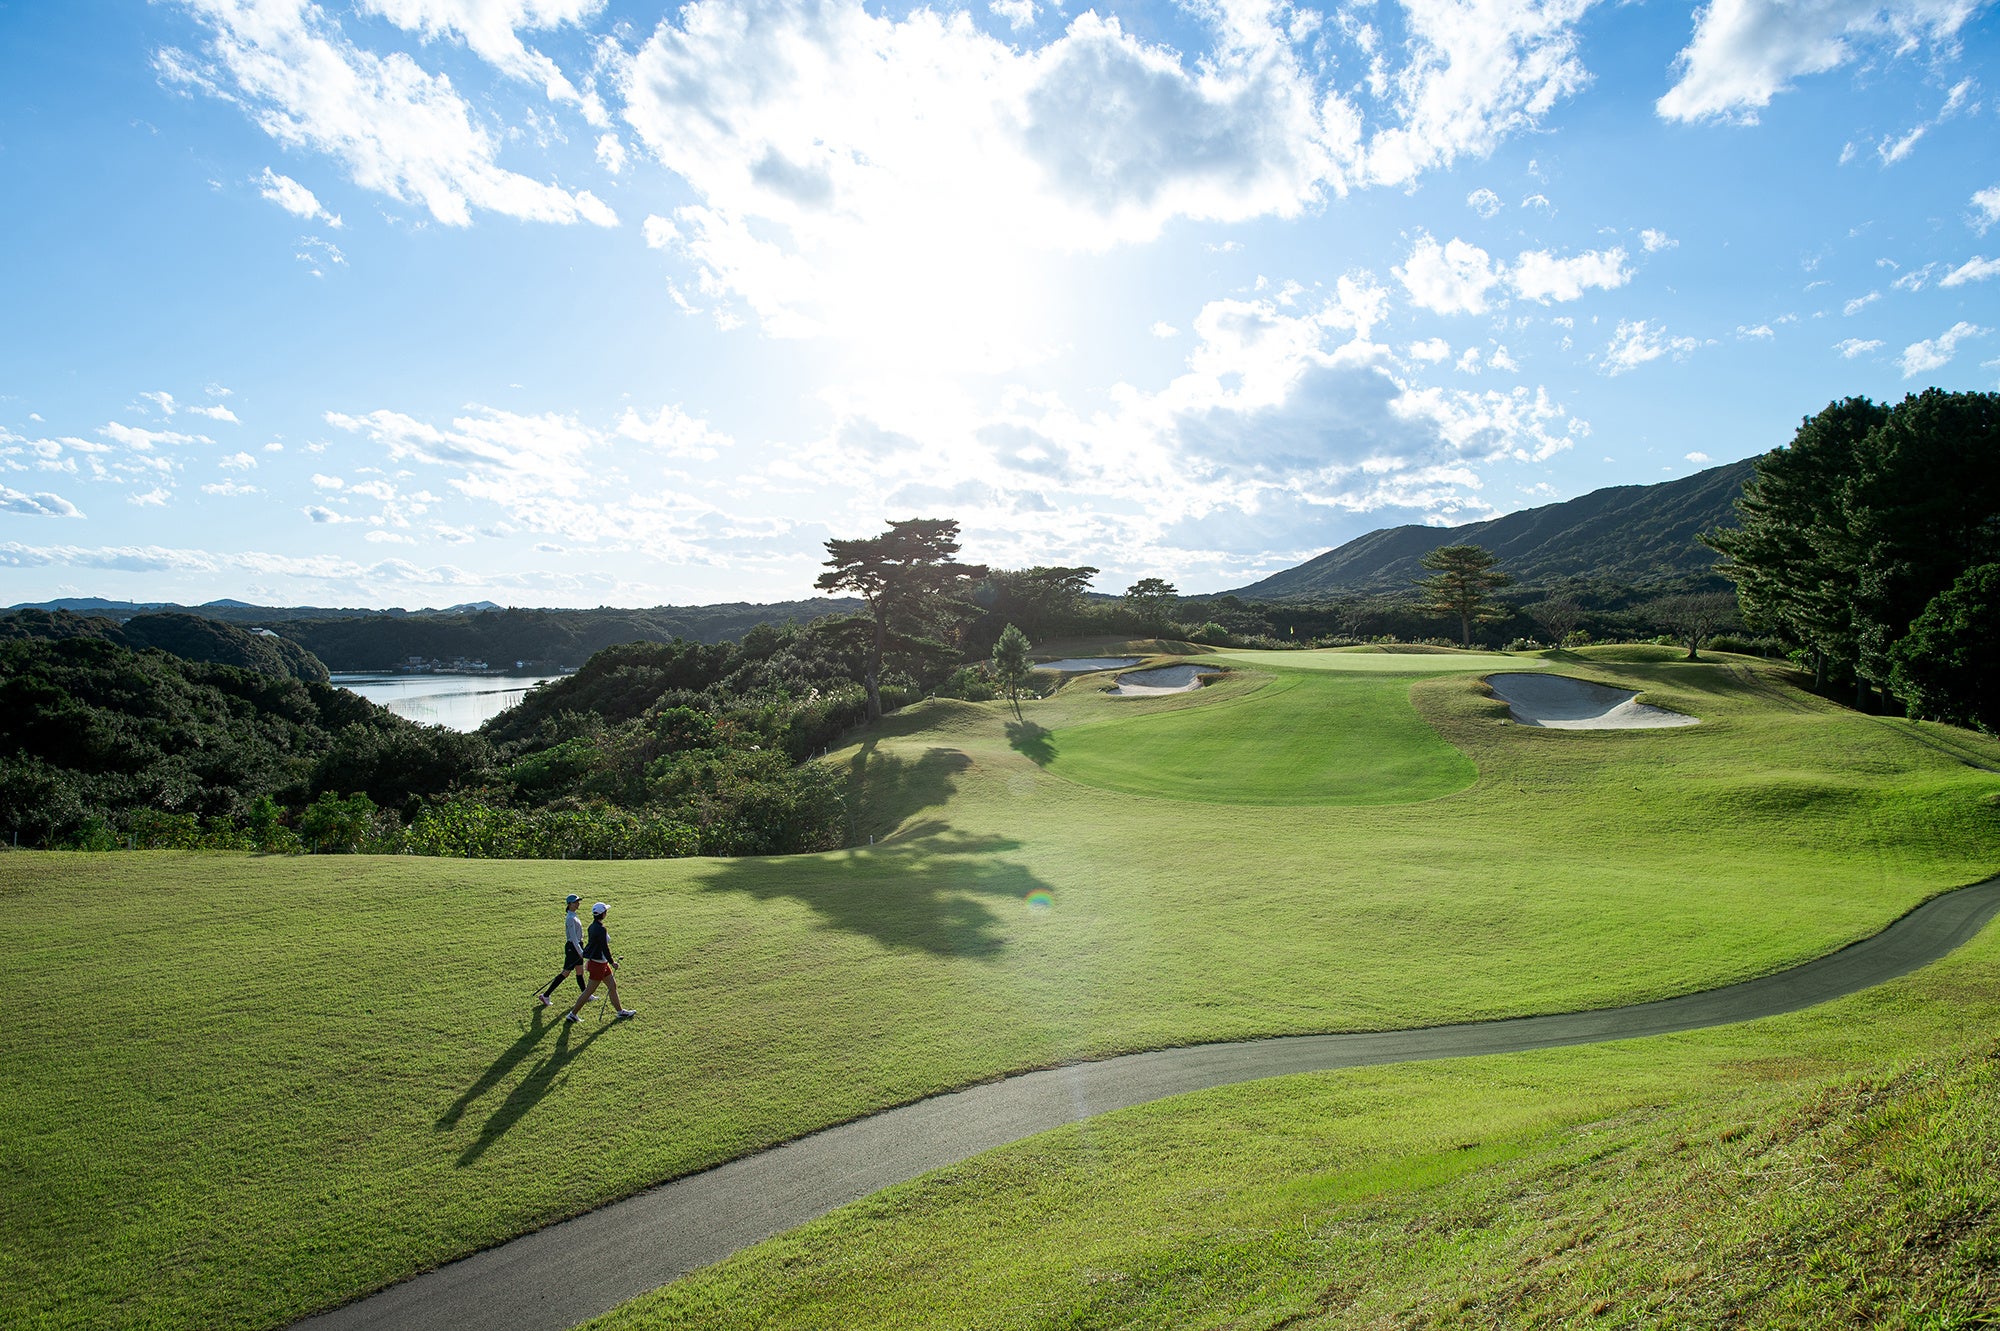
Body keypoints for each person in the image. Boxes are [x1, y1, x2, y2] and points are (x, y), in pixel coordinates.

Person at [566, 901, 635, 1022]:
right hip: (598, 964)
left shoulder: (592, 926)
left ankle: (620, 1011)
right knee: (589, 991)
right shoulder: (601, 929)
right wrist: (612, 962)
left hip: (601, 963)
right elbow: (605, 947)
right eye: (605, 912)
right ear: (602, 914)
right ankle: (572, 1014)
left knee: (612, 986)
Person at [536, 895, 595, 1008]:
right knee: (566, 973)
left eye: (578, 902)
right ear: (569, 904)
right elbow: (573, 938)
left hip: (577, 946)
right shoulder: (570, 918)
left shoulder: (574, 915)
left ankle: (586, 995)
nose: (578, 904)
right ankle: (546, 995)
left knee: (579, 972)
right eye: (575, 902)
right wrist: (580, 952)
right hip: (573, 947)